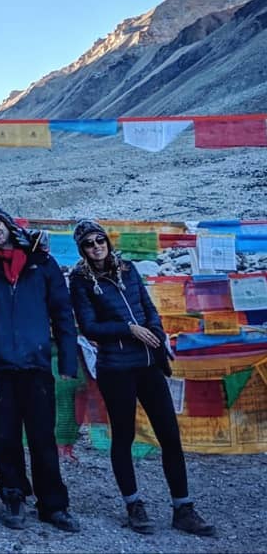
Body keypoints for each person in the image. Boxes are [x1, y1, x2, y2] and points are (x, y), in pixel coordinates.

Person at [68, 219, 214, 537]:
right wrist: (128, 330)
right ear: (82, 249)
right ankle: (133, 504)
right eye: (89, 243)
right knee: (123, 436)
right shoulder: (80, 281)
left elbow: (149, 308)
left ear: (107, 241)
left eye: (99, 240)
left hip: (148, 364)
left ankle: (183, 507)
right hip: (116, 368)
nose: (96, 246)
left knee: (169, 436)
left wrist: (158, 337)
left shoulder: (128, 269)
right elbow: (89, 326)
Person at [0, 202, 80, 533]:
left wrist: (68, 358)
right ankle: (13, 496)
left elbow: (62, 312)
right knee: (4, 436)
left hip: (36, 364)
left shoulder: (42, 262)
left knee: (42, 438)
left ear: (7, 223)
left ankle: (53, 504)